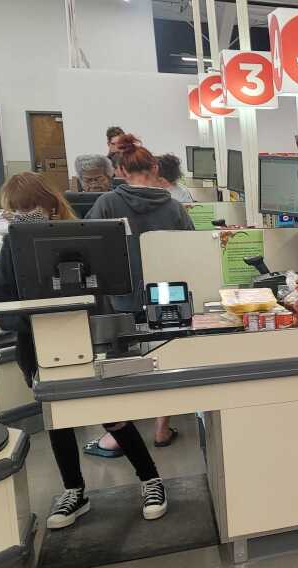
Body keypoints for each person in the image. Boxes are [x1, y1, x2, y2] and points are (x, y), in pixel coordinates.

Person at [0, 173, 168, 529]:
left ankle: (151, 479)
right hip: (36, 346)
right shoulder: (14, 245)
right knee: (57, 420)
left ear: (51, 203)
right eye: (16, 211)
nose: (24, 216)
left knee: (111, 413)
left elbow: (99, 292)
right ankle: (74, 490)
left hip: (86, 341)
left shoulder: (83, 236)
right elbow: (2, 290)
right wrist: (3, 315)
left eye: (30, 207)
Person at [81, 134, 194, 458]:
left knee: (125, 362)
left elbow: (88, 243)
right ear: (155, 167)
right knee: (169, 358)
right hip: (168, 292)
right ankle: (161, 428)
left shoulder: (107, 203)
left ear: (120, 171)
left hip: (125, 294)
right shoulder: (173, 206)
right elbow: (191, 248)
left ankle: (120, 433)